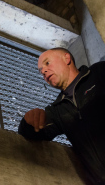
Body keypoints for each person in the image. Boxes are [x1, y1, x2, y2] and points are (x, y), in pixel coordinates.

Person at [18, 47, 105, 184]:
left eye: (47, 63)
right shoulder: (57, 110)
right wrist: (27, 122)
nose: (44, 72)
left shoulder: (99, 72)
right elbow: (34, 135)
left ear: (67, 58)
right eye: (41, 72)